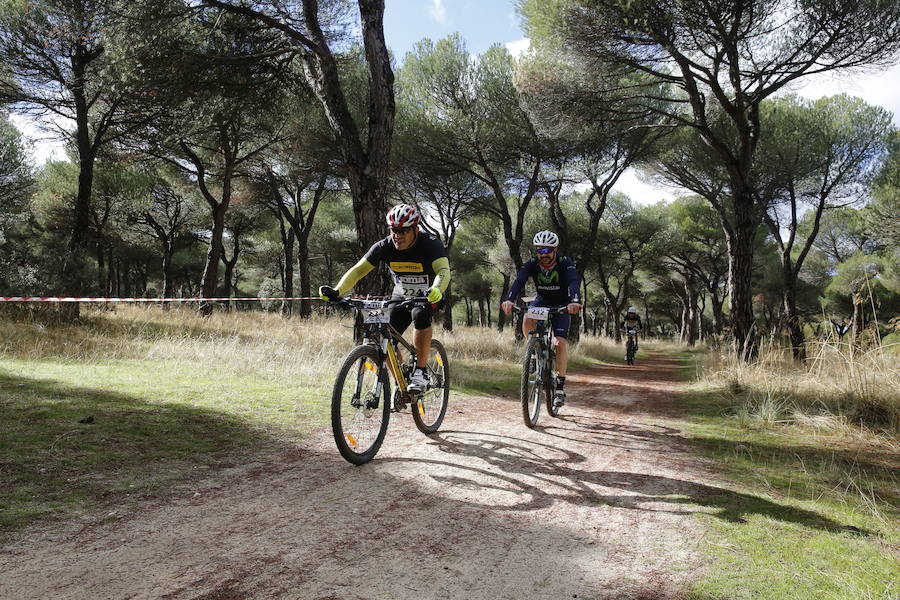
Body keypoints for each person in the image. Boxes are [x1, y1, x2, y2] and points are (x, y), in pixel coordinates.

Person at [319, 204, 450, 393]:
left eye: (403, 231)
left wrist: (437, 288)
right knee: (384, 335)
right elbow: (358, 270)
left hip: (429, 294)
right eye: (394, 230)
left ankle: (420, 372)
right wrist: (337, 291)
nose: (398, 235)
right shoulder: (385, 246)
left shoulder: (430, 243)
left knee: (420, 314)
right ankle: (400, 382)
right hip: (401, 295)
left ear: (416, 229)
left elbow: (443, 271)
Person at [501, 231, 582, 407]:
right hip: (542, 300)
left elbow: (573, 282)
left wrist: (575, 301)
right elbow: (519, 281)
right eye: (540, 250)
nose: (543, 254)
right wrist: (509, 299)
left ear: (555, 249)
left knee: (559, 343)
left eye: (547, 250)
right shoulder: (532, 263)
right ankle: (534, 352)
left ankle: (559, 387)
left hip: (562, 303)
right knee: (526, 318)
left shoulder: (565, 262)